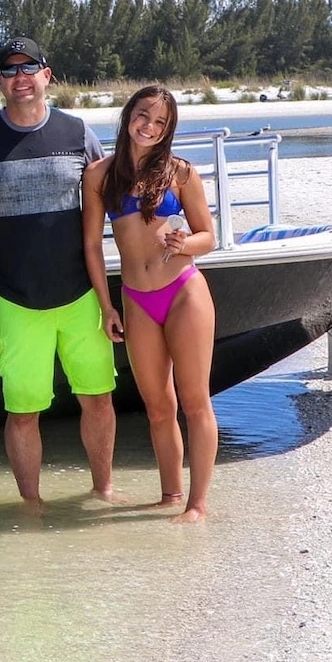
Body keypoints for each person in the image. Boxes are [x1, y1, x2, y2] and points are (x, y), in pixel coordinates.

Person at [0, 37, 123, 510]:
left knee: (99, 399)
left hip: (81, 295)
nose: (20, 78)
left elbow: (115, 200)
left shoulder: (78, 132)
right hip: (13, 299)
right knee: (22, 412)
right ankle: (32, 506)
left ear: (48, 75)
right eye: (10, 71)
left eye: (30, 68)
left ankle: (103, 491)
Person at [83, 84, 218, 524]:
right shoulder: (100, 176)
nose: (150, 127)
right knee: (158, 406)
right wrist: (107, 307)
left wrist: (184, 244)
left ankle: (197, 505)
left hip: (183, 291)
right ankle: (169, 495)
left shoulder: (181, 173)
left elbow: (208, 238)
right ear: (128, 116)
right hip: (136, 299)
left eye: (161, 122)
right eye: (143, 116)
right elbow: (90, 247)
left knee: (195, 401)